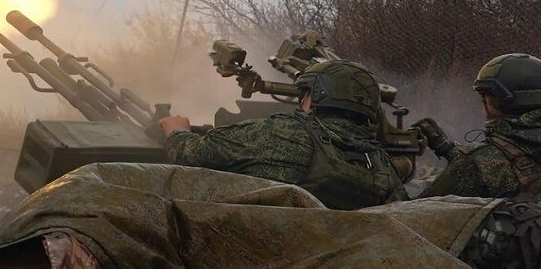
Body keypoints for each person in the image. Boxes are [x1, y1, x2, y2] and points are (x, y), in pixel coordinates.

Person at [158, 59, 407, 210]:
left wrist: (176, 131)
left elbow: (192, 154)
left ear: (315, 97)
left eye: (304, 94)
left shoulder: (283, 134)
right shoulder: (383, 165)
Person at [417, 53, 541, 200]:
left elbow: (417, 210)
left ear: (502, 100)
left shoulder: (476, 164)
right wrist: (447, 149)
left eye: (484, 97)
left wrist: (402, 167)